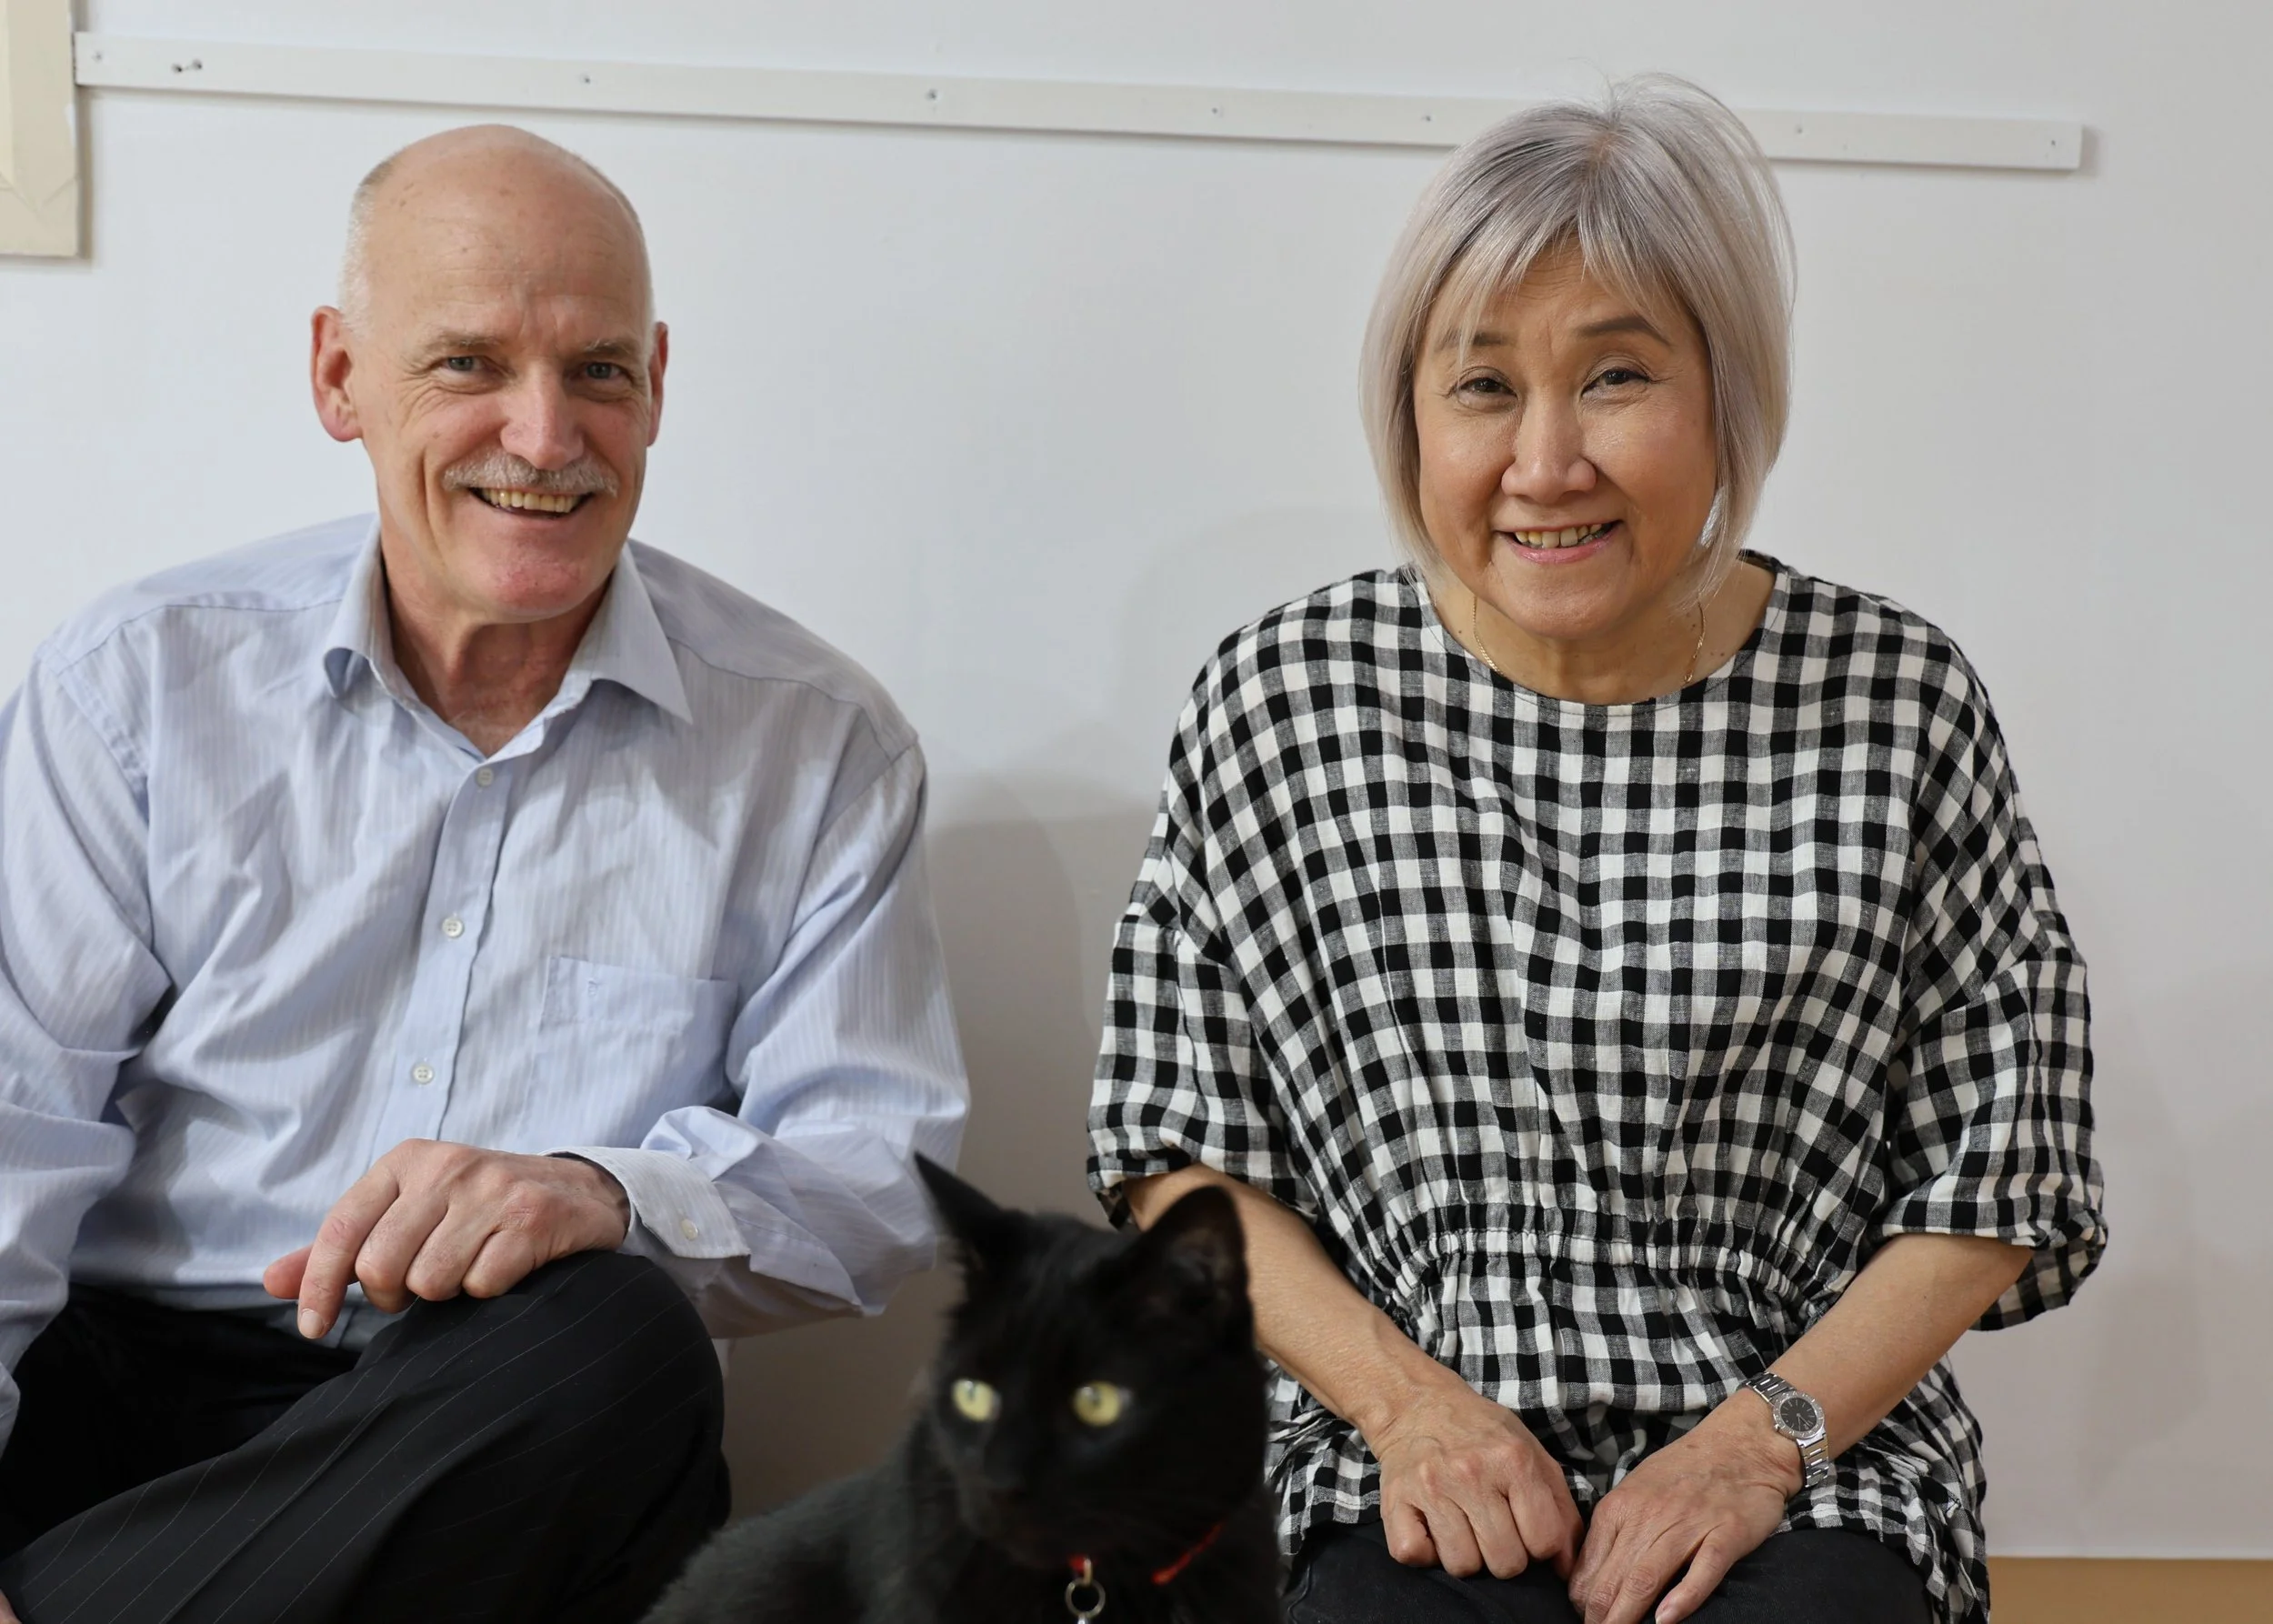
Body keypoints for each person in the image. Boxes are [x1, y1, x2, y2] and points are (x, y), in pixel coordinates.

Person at [1087, 76, 2102, 1624]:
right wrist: (1409, 1407)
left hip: (1802, 1459)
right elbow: (1176, 1147)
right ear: (1410, 415)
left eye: (1615, 376)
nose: (1546, 462)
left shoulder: (1895, 699)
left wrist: (1755, 1447)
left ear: (1726, 396)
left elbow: (2004, 1161)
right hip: (1396, 1453)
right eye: (1482, 386)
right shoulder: (1285, 698)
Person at [0, 125, 966, 1623]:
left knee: (621, 1334)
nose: (542, 435)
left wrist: (605, 1189)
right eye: (468, 365)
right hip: (136, 1386)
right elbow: (8, 1135)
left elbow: (875, 1169)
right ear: (340, 378)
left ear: (657, 385)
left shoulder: (816, 743)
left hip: (499, 1416)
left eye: (597, 371)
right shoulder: (136, 687)